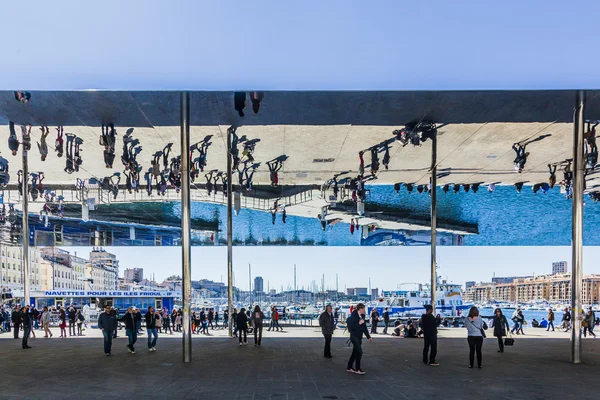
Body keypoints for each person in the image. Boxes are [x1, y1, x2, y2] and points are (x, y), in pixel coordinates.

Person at [346, 303, 372, 375]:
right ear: (360, 309)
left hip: (359, 337)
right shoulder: (353, 316)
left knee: (355, 352)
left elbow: (364, 328)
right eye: (363, 309)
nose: (364, 310)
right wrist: (359, 324)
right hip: (354, 336)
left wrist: (368, 336)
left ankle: (349, 367)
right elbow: (351, 328)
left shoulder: (362, 316)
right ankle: (358, 368)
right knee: (359, 352)